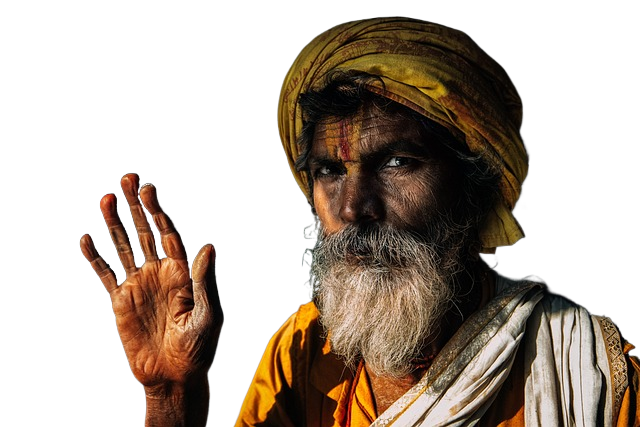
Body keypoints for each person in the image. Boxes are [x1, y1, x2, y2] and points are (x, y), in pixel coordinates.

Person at [79, 16, 640, 426]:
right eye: (329, 170)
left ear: (477, 193)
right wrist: (172, 395)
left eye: (397, 163)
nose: (352, 208)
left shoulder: (590, 374)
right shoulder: (301, 348)